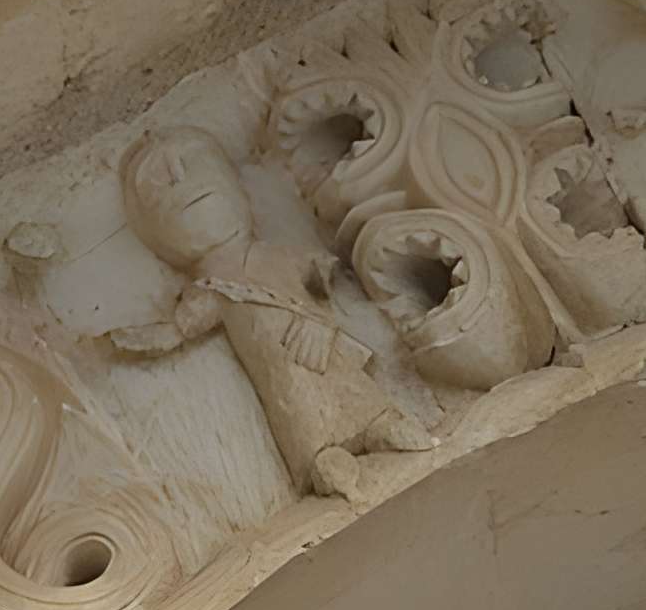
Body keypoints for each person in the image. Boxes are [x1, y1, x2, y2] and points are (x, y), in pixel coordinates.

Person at [103, 125, 436, 500]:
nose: (179, 177)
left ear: (238, 190)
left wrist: (322, 298)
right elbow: (178, 329)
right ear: (158, 242)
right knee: (296, 402)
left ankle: (380, 424)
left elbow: (318, 270)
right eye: (159, 184)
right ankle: (324, 461)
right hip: (277, 367)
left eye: (192, 163)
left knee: (349, 383)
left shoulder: (275, 253)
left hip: (320, 339)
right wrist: (131, 339)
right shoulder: (210, 291)